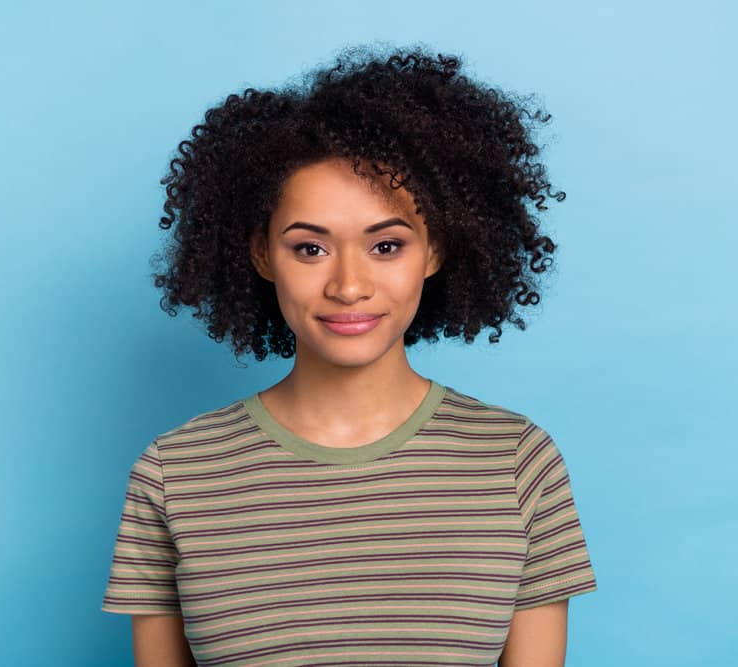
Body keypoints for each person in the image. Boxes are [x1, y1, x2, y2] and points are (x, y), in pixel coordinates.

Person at [101, 43, 598, 667]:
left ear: (435, 250)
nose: (349, 285)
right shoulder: (176, 474)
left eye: (386, 246)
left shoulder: (517, 462)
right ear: (261, 255)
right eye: (310, 249)